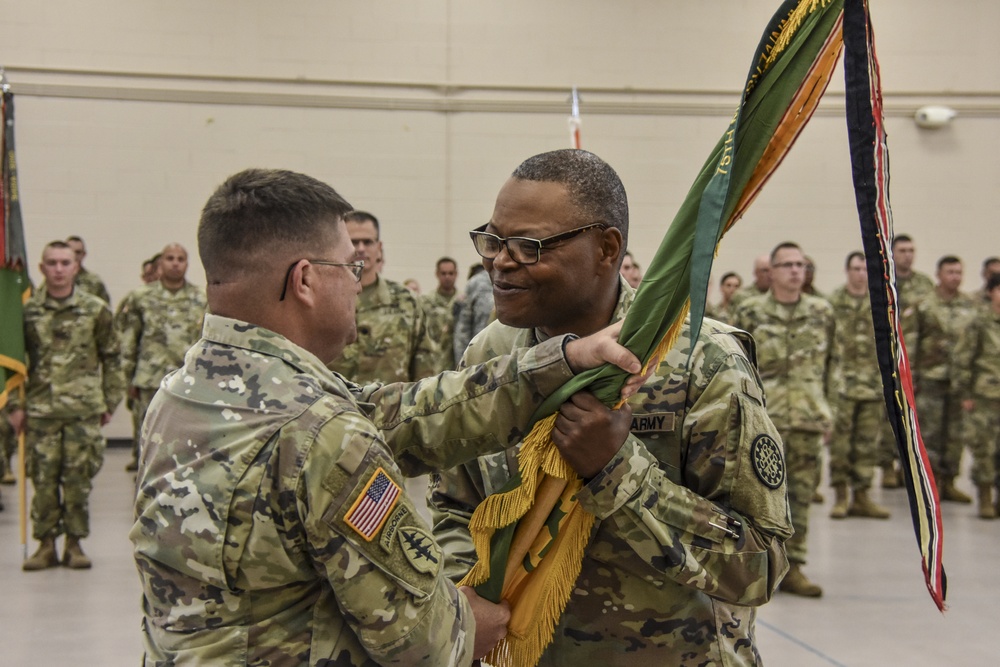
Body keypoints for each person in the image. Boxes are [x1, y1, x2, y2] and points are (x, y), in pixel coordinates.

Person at [130, 167, 642, 666]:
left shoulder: (185, 393)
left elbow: (396, 414)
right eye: (350, 268)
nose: (359, 284)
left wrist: (562, 361)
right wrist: (477, 620)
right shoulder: (321, 432)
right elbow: (423, 641)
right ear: (305, 280)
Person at [430, 149, 791, 665]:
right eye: (492, 240)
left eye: (529, 246)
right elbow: (455, 506)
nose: (500, 262)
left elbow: (761, 564)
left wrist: (617, 470)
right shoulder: (491, 355)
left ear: (606, 249)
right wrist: (469, 602)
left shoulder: (699, 362)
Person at [9, 241, 124, 570]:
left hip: (83, 409)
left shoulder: (95, 309)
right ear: (42, 268)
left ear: (76, 267)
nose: (58, 269)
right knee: (43, 480)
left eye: (65, 263)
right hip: (40, 411)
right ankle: (45, 545)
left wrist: (110, 400)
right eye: (52, 263)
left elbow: (112, 357)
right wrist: (13, 408)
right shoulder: (27, 311)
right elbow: (14, 365)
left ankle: (75, 544)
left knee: (78, 480)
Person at [733, 241, 836, 598]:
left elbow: (832, 366)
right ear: (772, 272)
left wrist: (828, 412)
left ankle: (796, 567)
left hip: (808, 417)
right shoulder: (749, 312)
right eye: (788, 265)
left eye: (801, 265)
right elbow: (735, 365)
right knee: (759, 498)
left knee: (803, 495)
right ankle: (759, 566)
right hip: (766, 421)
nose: (796, 270)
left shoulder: (822, 311)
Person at [118, 244, 207, 471]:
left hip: (188, 382)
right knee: (148, 441)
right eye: (170, 258)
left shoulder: (200, 298)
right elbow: (129, 339)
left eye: (181, 259)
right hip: (150, 379)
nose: (175, 263)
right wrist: (128, 379)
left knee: (188, 443)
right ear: (160, 264)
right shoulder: (141, 297)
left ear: (187, 263)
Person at [328, 211, 439, 384]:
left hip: (391, 409)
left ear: (379, 248)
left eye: (368, 242)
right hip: (334, 408)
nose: (361, 248)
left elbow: (424, 371)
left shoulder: (406, 301)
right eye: (354, 242)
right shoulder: (325, 298)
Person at [905, 255, 979, 503]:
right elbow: (911, 343)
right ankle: (930, 483)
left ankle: (949, 481)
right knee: (931, 433)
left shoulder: (970, 305)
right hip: (931, 378)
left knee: (955, 434)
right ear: (939, 275)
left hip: (959, 380)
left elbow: (974, 345)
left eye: (959, 272)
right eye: (950, 272)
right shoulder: (924, 304)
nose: (955, 277)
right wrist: (910, 378)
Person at [827, 252, 890, 519]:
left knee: (867, 444)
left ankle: (862, 496)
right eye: (856, 268)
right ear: (847, 271)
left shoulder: (880, 302)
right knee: (840, 445)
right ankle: (841, 496)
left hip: (873, 386)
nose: (861, 274)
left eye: (865, 269)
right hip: (843, 387)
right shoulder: (832, 303)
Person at [953, 272, 1000, 519]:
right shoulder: (978, 322)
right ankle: (985, 497)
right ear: (991, 293)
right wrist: (965, 393)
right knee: (984, 449)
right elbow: (963, 359)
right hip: (984, 397)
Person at [419, 257, 459, 373]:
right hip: (433, 361)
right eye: (443, 273)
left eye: (451, 273)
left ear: (456, 274)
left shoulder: (463, 301)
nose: (447, 277)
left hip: (455, 362)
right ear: (437, 274)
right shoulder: (426, 301)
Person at [452, 263, 494, 362]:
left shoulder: (523, 278)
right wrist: (462, 364)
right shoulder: (476, 283)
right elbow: (463, 329)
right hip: (480, 358)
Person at [65, 235, 112, 305]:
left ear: (83, 254)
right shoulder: (56, 278)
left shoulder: (95, 281)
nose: (74, 255)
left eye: (78, 252)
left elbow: (105, 310)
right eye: (70, 251)